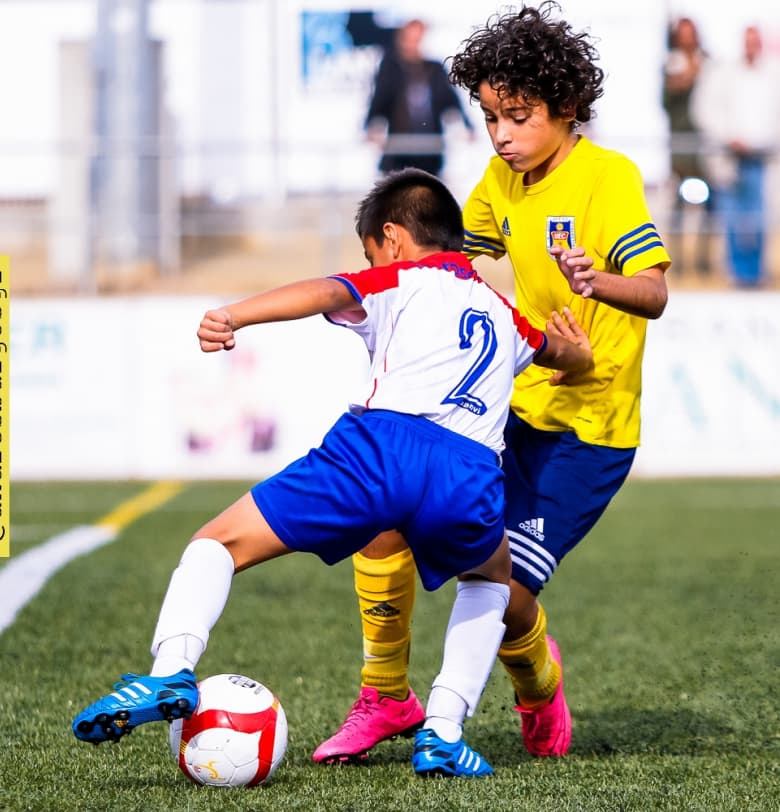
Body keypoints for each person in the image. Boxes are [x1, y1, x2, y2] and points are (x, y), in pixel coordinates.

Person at [71, 168, 594, 779]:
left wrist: (234, 315)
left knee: (217, 542)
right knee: (491, 580)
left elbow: (324, 292)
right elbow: (567, 357)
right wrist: (578, 356)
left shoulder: (399, 277)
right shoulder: (504, 313)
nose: (368, 261)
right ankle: (445, 732)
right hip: (471, 469)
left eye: (369, 251)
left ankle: (168, 676)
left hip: (381, 448)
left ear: (393, 240)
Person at [313, 2, 670, 766]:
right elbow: (452, 267)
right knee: (387, 516)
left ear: (566, 107)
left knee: (502, 585)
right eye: (490, 117)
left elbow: (656, 293)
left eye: (517, 116)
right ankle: (384, 695)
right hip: (513, 406)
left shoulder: (608, 178)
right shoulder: (498, 184)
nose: (501, 134)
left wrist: (599, 282)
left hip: (589, 428)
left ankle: (534, 687)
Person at [692, 24, 780, 288]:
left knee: (759, 218)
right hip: (730, 156)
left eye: (757, 41)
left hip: (763, 157)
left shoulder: (772, 73)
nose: (752, 45)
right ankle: (737, 274)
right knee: (732, 217)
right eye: (748, 40)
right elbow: (704, 110)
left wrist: (761, 141)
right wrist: (729, 136)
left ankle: (755, 274)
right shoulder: (723, 72)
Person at [365, 18, 475, 177]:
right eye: (410, 39)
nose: (414, 44)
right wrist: (372, 126)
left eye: (418, 39)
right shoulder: (390, 68)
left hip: (431, 151)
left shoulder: (434, 69)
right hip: (398, 150)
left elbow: (451, 100)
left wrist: (467, 126)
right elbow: (379, 99)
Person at [660, 16, 714, 274]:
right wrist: (689, 76)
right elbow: (666, 99)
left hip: (707, 146)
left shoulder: (708, 59)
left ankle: (704, 261)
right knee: (680, 203)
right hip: (681, 145)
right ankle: (677, 261)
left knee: (710, 206)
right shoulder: (671, 62)